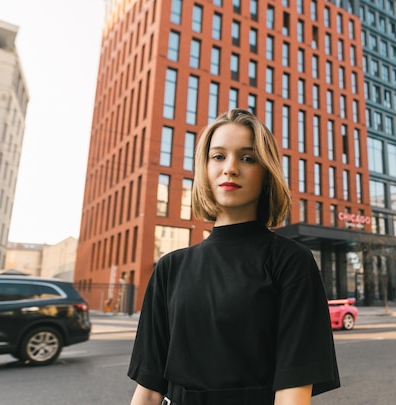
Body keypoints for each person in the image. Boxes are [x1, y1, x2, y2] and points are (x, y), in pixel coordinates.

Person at [128, 108, 340, 405]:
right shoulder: (169, 268)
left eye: (247, 158)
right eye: (218, 156)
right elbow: (149, 390)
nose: (230, 168)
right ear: (205, 168)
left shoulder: (292, 261)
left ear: (266, 173)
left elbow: (293, 393)